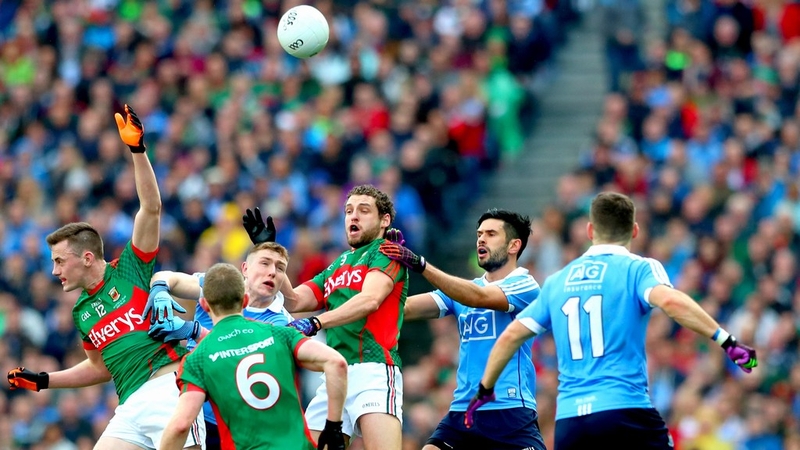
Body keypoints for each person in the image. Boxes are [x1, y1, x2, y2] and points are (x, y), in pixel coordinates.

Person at [467, 192, 758, 449]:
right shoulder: (638, 268)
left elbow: (510, 336)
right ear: (634, 230)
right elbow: (669, 301)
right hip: (624, 410)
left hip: (570, 421)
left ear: (590, 230)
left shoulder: (557, 281)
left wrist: (484, 389)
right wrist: (726, 340)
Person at [7, 105, 205, 450]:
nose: (54, 271)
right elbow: (99, 368)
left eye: (58, 261)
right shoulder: (81, 311)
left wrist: (137, 151)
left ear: (86, 257)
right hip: (129, 404)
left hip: (168, 388)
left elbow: (151, 209)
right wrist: (44, 381)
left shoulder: (130, 269)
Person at [380, 209, 546, 450]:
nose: (481, 239)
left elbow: (478, 297)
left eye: (491, 234)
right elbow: (403, 309)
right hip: (462, 412)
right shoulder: (463, 290)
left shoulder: (525, 285)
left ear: (514, 246)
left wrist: (421, 264)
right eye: (479, 234)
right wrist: (389, 274)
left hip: (508, 411)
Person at [160, 262, 348, 450]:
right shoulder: (280, 333)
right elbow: (336, 362)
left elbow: (181, 425)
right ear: (245, 300)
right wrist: (333, 427)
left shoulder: (196, 359)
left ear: (204, 304)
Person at [281, 184, 408, 450]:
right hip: (336, 375)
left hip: (373, 370)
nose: (353, 216)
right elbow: (293, 300)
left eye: (363, 211)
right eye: (349, 211)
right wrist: (272, 253)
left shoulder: (387, 252)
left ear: (385, 220)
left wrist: (318, 322)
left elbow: (370, 300)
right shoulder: (338, 264)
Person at [146, 224, 292, 450]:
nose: (273, 272)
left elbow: (237, 356)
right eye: (264, 263)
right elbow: (169, 277)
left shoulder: (280, 322)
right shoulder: (220, 285)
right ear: (244, 268)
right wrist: (160, 288)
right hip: (186, 406)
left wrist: (193, 331)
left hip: (231, 425)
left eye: (280, 268)